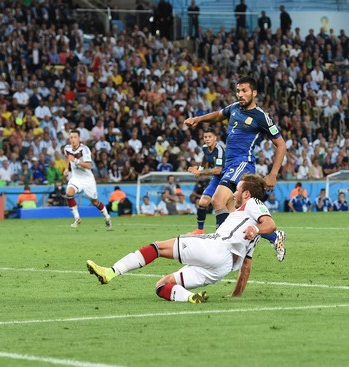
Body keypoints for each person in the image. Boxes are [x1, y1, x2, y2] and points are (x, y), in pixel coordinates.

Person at [87, 174, 276, 303]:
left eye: (237, 189)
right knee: (162, 285)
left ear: (246, 194)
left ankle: (110, 272)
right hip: (221, 269)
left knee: (158, 248)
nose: (234, 193)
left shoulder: (254, 203)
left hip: (217, 247)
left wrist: (256, 228)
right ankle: (190, 298)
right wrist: (236, 296)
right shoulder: (246, 223)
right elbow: (246, 267)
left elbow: (270, 224)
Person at [184, 76, 287, 262]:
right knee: (238, 215)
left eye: (244, 91)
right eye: (238, 91)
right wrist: (198, 119)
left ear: (254, 93)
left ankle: (220, 246)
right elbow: (217, 115)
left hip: (242, 163)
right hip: (230, 165)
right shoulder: (234, 108)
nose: (240, 94)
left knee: (217, 199)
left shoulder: (261, 117)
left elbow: (281, 145)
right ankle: (274, 237)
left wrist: (272, 174)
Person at [63, 130, 112, 230]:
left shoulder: (84, 150)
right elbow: (67, 157)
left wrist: (76, 161)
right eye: (71, 137)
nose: (73, 139)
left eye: (75, 137)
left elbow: (89, 165)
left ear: (79, 138)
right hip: (76, 178)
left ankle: (107, 216)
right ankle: (77, 218)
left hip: (87, 179)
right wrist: (66, 169)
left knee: (95, 202)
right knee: (69, 193)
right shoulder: (67, 148)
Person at [187, 128, 225, 234]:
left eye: (210, 137)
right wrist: (200, 169)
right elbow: (205, 159)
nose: (207, 139)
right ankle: (200, 230)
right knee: (202, 202)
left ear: (215, 138)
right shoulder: (204, 148)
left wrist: (200, 172)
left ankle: (225, 231)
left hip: (227, 178)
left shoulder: (220, 149)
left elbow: (218, 170)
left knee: (222, 205)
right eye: (205, 137)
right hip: (217, 179)